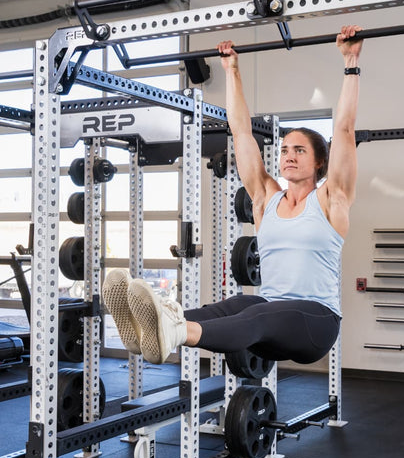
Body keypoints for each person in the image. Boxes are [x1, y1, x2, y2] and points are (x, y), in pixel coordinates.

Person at [103, 25, 363, 365]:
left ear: (320, 162)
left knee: (257, 313)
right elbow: (240, 132)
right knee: (232, 305)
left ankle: (174, 332)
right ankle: (145, 328)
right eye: (285, 150)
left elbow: (344, 129)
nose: (289, 156)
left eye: (299, 150)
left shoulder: (332, 199)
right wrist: (231, 71)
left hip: (316, 324)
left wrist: (351, 63)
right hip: (270, 320)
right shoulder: (267, 199)